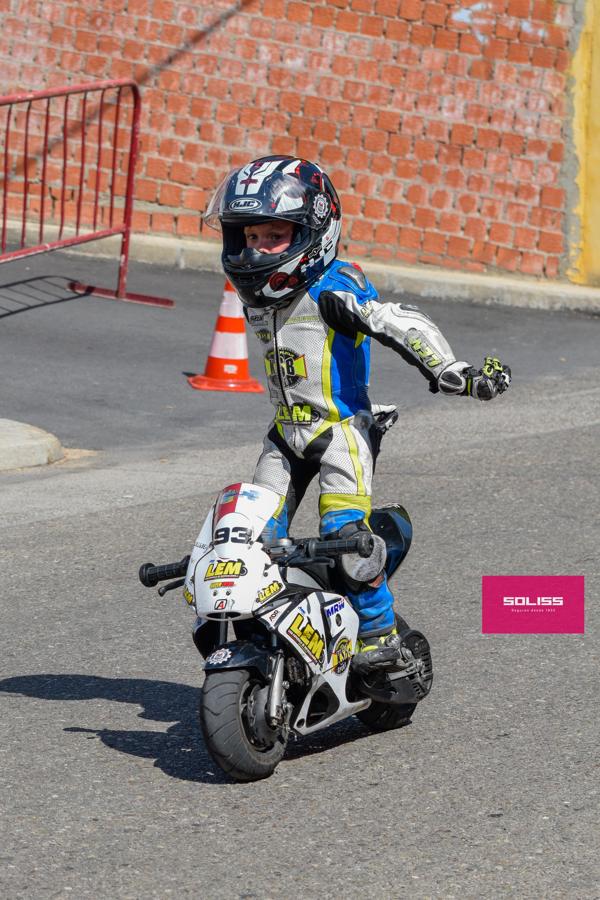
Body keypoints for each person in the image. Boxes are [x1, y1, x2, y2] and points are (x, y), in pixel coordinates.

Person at [204, 155, 511, 669]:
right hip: (285, 436)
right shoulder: (258, 295)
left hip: (342, 431)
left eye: (273, 238)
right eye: (249, 237)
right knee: (251, 543)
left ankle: (378, 633)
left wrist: (452, 370)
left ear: (313, 232)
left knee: (346, 539)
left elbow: (397, 321)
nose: (256, 250)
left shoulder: (334, 288)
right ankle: (278, 631)